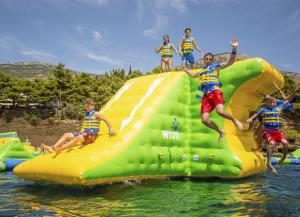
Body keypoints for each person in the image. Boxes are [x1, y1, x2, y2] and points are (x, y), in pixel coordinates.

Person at [183, 39, 244, 142]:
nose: (208, 60)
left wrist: (234, 48)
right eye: (206, 59)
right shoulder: (201, 71)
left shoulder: (215, 67)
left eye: (210, 59)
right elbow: (193, 75)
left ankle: (234, 120)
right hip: (206, 96)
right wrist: (185, 69)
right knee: (204, 120)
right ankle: (220, 131)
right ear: (204, 60)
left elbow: (230, 62)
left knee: (220, 111)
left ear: (212, 61)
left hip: (215, 91)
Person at [41, 99, 116, 153]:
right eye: (86, 106)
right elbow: (85, 125)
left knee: (78, 137)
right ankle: (53, 147)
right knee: (66, 135)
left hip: (92, 135)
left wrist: (110, 129)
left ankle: (61, 149)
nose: (86, 107)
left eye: (88, 106)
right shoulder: (87, 115)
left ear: (93, 106)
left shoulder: (96, 113)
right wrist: (81, 130)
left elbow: (106, 120)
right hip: (85, 133)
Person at [247, 97, 291, 173]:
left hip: (277, 132)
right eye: (269, 102)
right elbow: (256, 115)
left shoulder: (279, 108)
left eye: (273, 102)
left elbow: (287, 102)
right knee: (271, 144)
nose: (271, 104)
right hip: (267, 131)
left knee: (286, 144)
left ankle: (283, 158)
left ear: (276, 103)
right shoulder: (263, 110)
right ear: (267, 103)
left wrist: (277, 100)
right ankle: (269, 163)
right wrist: (251, 119)